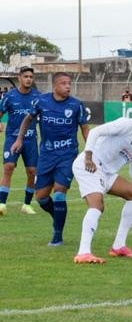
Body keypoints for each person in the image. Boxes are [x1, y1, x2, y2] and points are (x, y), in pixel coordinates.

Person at [12, 72, 90, 245]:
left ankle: (57, 235)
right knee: (41, 198)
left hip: (67, 155)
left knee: (60, 193)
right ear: (55, 86)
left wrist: (89, 151)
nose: (68, 86)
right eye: (64, 83)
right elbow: (27, 119)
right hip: (46, 155)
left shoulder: (76, 105)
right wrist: (19, 139)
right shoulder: (42, 101)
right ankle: (58, 215)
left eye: (69, 83)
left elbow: (85, 128)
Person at [71, 105, 132, 263]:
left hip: (106, 172)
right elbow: (95, 131)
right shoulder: (128, 124)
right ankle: (83, 252)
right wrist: (88, 156)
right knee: (97, 205)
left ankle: (119, 246)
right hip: (90, 163)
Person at [0, 67, 42, 216]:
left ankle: (27, 204)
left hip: (30, 140)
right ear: (19, 78)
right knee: (9, 167)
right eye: (26, 76)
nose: (29, 79)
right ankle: (2, 204)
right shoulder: (9, 96)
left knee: (32, 172)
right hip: (12, 138)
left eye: (31, 76)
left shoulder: (38, 97)